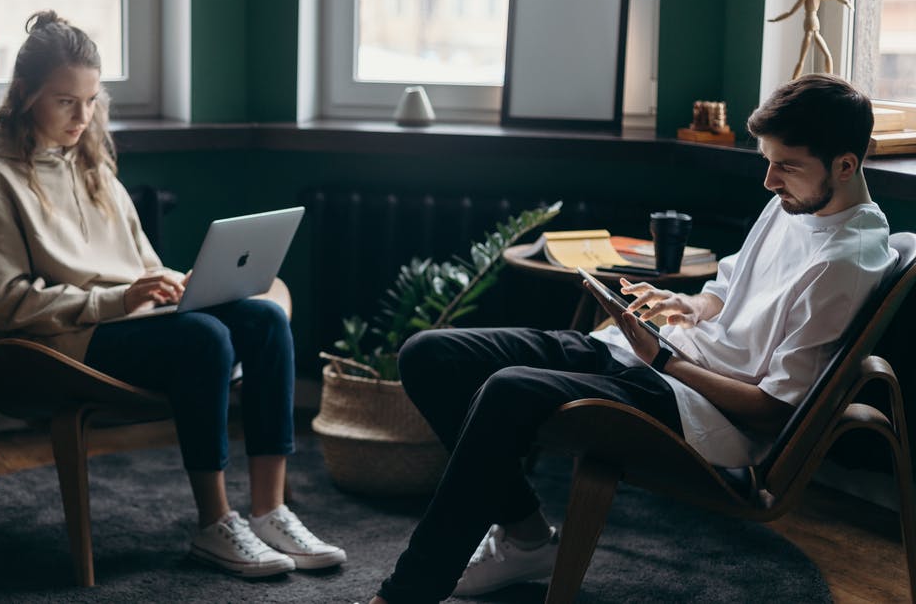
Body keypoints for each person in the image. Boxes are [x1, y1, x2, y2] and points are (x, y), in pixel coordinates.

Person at [368, 73, 894, 603]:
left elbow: (771, 412)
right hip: (655, 357)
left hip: (696, 407)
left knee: (509, 389)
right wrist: (687, 305)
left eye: (786, 166)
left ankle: (407, 593)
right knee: (431, 354)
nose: (769, 181)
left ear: (846, 165)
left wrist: (664, 360)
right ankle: (527, 538)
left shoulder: (842, 265)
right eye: (768, 162)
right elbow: (729, 286)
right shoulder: (795, 202)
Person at [0, 10, 345, 579]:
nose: (82, 117)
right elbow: (8, 304)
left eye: (91, 101)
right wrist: (119, 300)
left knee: (264, 319)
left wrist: (177, 284)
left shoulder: (93, 165)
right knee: (203, 337)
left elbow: (140, 264)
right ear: (27, 94)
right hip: (66, 341)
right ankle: (215, 525)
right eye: (66, 101)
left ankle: (271, 510)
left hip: (127, 320)